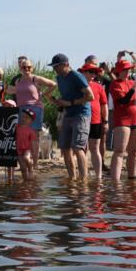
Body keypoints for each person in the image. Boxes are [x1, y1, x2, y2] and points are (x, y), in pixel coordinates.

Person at [50, 53, 93, 181]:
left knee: (77, 147)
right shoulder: (59, 78)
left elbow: (90, 97)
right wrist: (60, 101)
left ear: (66, 64)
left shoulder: (76, 76)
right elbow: (66, 96)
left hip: (81, 115)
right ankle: (72, 178)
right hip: (68, 114)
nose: (55, 69)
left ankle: (83, 180)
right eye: (54, 66)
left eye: (57, 66)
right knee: (64, 147)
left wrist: (70, 103)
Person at [7, 59, 57, 162]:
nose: (26, 69)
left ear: (32, 68)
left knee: (34, 136)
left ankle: (34, 163)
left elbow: (53, 84)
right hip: (21, 109)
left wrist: (44, 94)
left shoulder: (35, 79)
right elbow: (12, 90)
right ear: (20, 68)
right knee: (23, 135)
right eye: (24, 67)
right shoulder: (18, 81)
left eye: (29, 67)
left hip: (35, 109)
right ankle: (27, 158)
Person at [108, 57, 136, 181]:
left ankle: (132, 179)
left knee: (134, 151)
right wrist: (134, 87)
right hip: (123, 120)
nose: (127, 71)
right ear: (118, 71)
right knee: (119, 151)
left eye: (128, 69)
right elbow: (123, 101)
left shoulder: (133, 83)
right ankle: (115, 182)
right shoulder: (115, 84)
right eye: (124, 69)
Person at [78, 62, 108, 181]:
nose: (93, 74)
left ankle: (99, 176)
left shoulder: (99, 86)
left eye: (95, 72)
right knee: (82, 149)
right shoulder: (78, 85)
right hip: (81, 120)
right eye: (90, 71)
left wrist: (105, 121)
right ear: (83, 72)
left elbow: (104, 104)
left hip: (96, 121)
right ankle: (83, 175)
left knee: (95, 149)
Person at [16, 108, 39, 181]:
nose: (24, 119)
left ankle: (31, 169)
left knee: (26, 158)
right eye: (23, 117)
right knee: (22, 167)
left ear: (31, 121)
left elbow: (33, 143)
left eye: (27, 118)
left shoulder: (31, 131)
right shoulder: (17, 127)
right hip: (18, 150)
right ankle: (25, 180)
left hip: (27, 149)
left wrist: (34, 152)